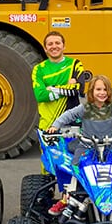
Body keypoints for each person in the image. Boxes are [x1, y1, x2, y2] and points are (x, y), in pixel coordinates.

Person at [45, 74, 112, 216]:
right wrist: (55, 126)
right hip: (87, 144)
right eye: (98, 89)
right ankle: (66, 197)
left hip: (109, 144)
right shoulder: (85, 107)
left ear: (109, 92)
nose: (102, 93)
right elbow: (68, 115)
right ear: (91, 92)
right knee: (75, 165)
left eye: (105, 89)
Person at [32, 31, 87, 171]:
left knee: (74, 162)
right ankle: (48, 192)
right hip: (48, 123)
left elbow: (79, 88)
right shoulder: (38, 69)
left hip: (72, 123)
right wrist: (67, 87)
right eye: (50, 44)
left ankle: (72, 193)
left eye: (57, 43)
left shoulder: (75, 64)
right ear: (45, 48)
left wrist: (53, 89)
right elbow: (40, 95)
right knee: (49, 164)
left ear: (64, 46)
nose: (54, 46)